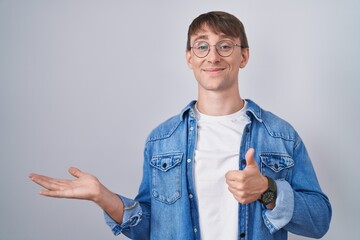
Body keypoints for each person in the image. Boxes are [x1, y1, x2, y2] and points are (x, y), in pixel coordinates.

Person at [29, 11, 332, 240]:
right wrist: (103, 196)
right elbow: (149, 228)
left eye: (225, 46)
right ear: (189, 57)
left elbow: (319, 222)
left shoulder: (280, 135)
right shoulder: (162, 140)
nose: (212, 56)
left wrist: (268, 190)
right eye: (202, 46)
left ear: (244, 56)